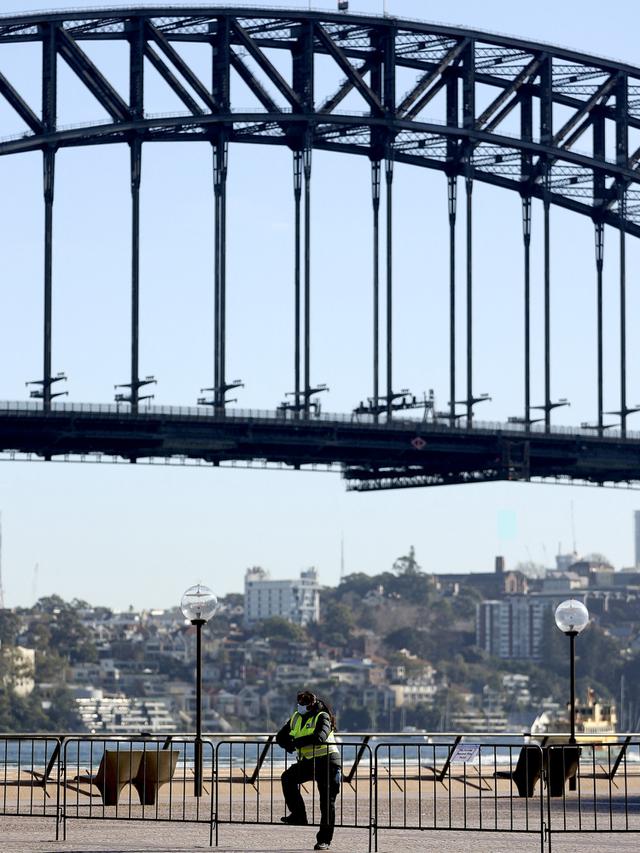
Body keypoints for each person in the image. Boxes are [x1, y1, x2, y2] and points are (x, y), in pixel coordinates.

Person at [276, 689, 341, 851]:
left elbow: (319, 737)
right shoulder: (296, 717)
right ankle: (298, 815)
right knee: (287, 778)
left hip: (327, 762)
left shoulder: (322, 716)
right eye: (299, 703)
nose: (301, 706)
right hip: (308, 762)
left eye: (304, 703)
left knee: (326, 802)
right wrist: (289, 744)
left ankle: (324, 840)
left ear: (312, 704)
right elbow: (280, 737)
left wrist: (295, 742)